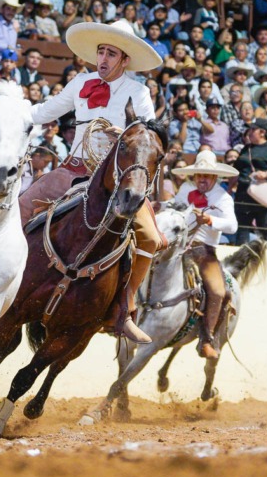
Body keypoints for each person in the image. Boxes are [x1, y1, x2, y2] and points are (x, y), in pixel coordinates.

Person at [18, 19, 164, 344]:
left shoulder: (138, 92)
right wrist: (9, 111)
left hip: (114, 181)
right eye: (101, 51)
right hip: (72, 169)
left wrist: (126, 134)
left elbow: (149, 133)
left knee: (151, 238)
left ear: (124, 60)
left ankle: (123, 309)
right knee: (21, 207)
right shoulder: (80, 82)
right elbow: (44, 112)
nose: (103, 58)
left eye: (111, 53)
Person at [170, 151, 239, 359]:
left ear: (215, 177)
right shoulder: (185, 189)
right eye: (199, 174)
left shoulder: (223, 197)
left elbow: (232, 226)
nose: (202, 179)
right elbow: (174, 207)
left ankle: (207, 338)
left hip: (204, 251)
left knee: (217, 291)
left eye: (207, 175)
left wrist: (210, 220)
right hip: (177, 244)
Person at [234, 118, 267, 243]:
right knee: (243, 227)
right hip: (244, 193)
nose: (249, 132)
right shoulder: (246, 149)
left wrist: (266, 174)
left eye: (253, 129)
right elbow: (237, 169)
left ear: (262, 132)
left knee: (263, 227)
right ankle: (241, 257)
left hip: (262, 193)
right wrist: (231, 187)